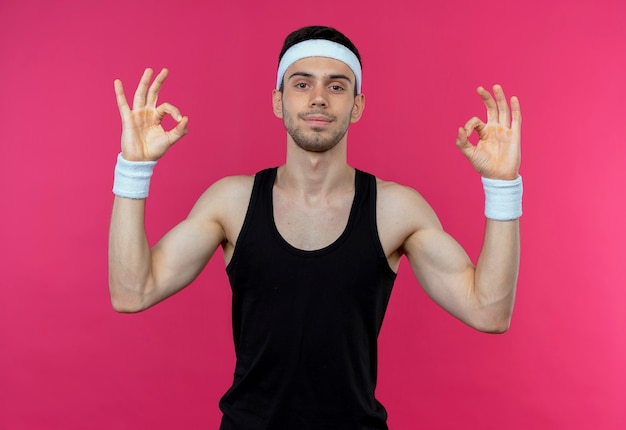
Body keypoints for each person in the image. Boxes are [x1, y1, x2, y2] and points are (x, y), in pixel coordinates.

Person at [109, 25, 522, 430]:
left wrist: (502, 186)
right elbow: (133, 291)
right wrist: (134, 168)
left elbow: (488, 311)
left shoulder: (396, 210)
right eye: (302, 84)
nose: (319, 99)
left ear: (357, 105)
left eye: (337, 86)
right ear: (278, 100)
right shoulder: (231, 203)